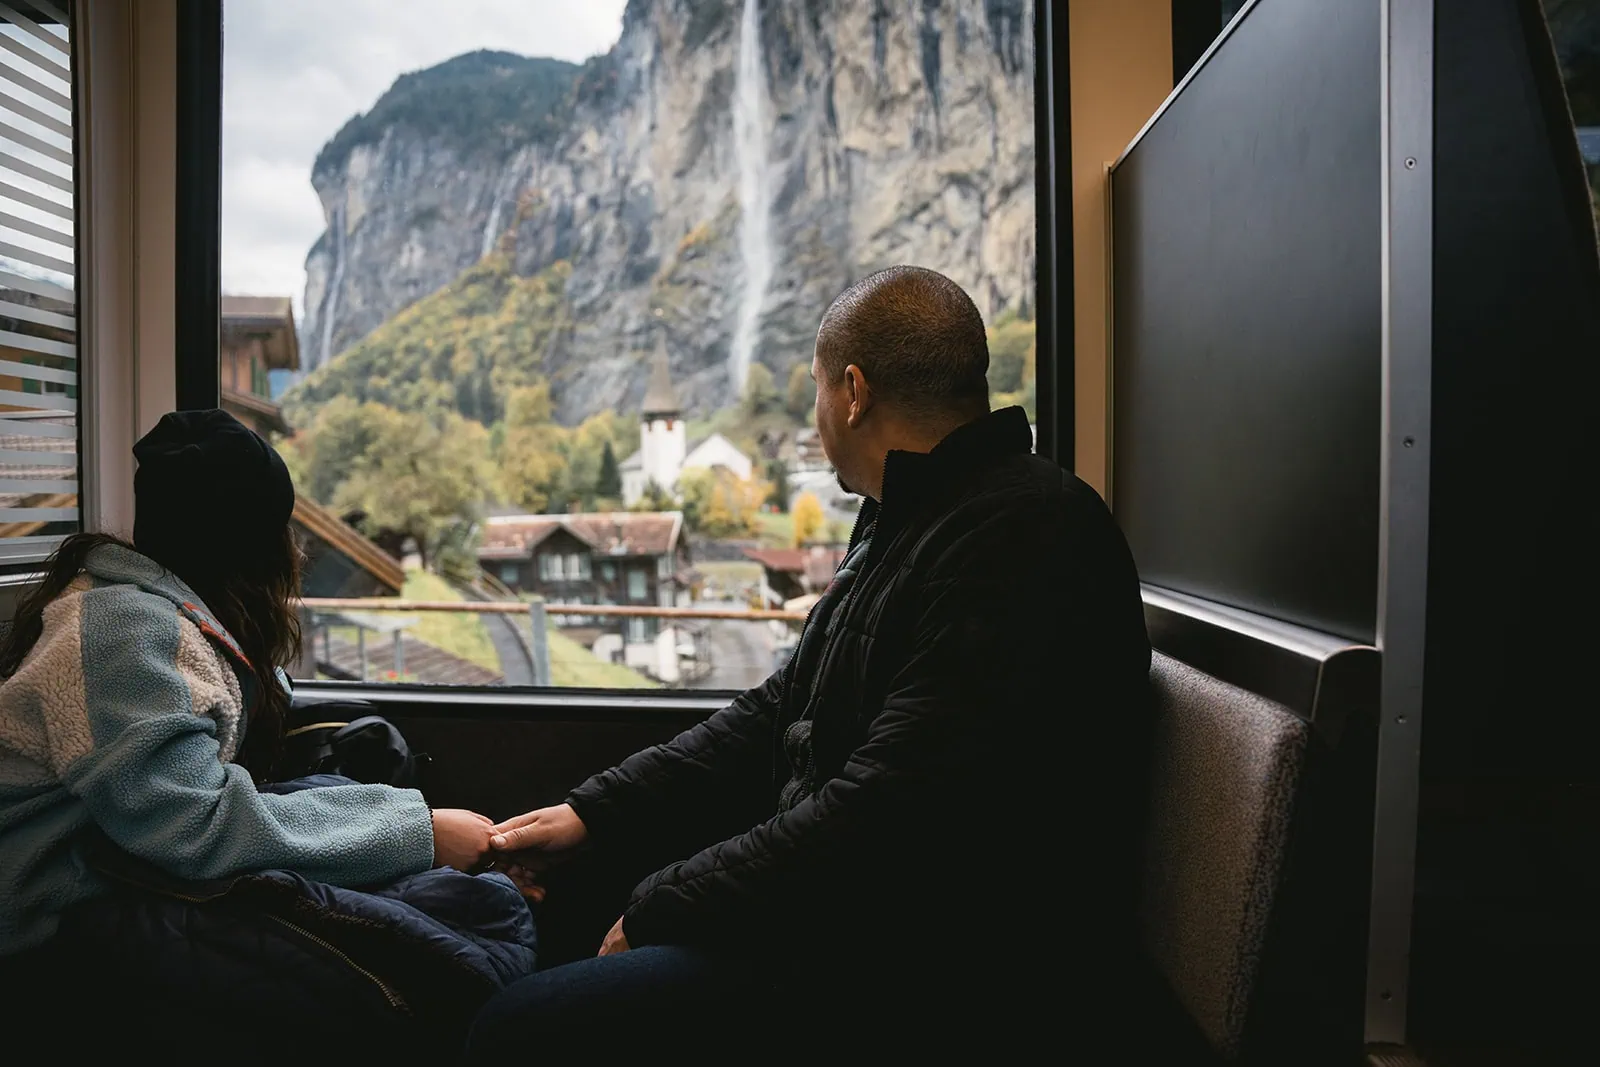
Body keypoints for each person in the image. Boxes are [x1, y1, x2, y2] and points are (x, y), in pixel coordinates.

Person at [469, 266, 1152, 1054]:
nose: (816, 411)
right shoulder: (905, 516)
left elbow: (882, 820)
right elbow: (782, 707)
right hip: (857, 918)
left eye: (817, 390)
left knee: (512, 1030)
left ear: (853, 391)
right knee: (554, 897)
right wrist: (597, 811)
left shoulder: (1026, 539)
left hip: (938, 970)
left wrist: (659, 903)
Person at [0, 409, 494, 962]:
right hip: (47, 920)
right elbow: (192, 826)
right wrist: (418, 836)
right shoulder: (124, 633)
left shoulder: (176, 623)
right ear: (255, 546)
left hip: (117, 879)